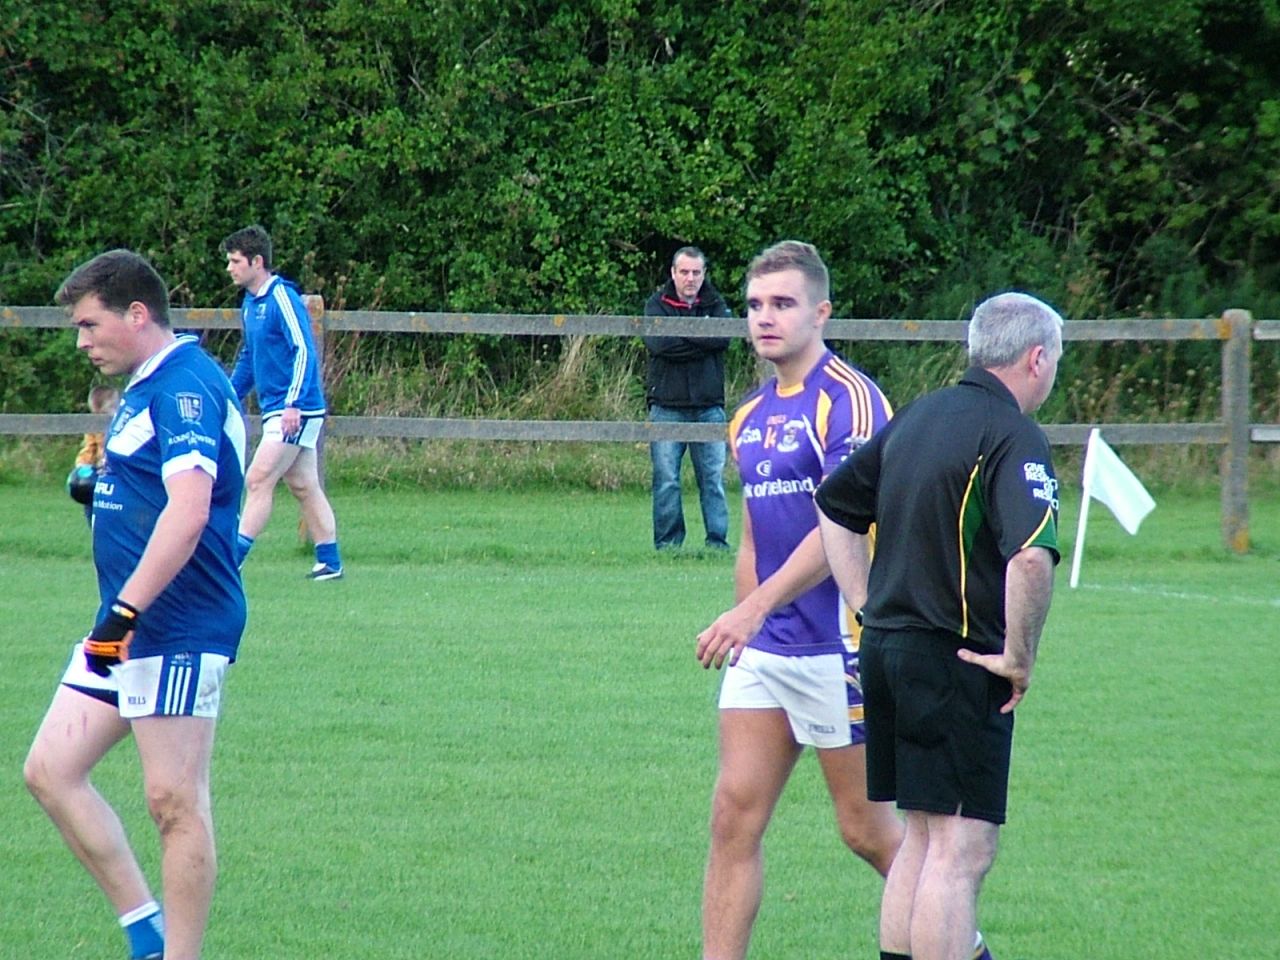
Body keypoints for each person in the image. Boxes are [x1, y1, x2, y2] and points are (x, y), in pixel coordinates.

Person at [814, 291, 1064, 960]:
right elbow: (1032, 557)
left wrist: (867, 606)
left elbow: (835, 503)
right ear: (1036, 358)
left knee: (922, 839)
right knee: (961, 850)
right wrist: (1020, 656)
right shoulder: (1013, 434)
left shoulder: (919, 414)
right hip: (955, 662)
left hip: (888, 651)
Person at [24, 249, 248, 960]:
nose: (82, 342)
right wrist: (100, 493)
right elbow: (148, 492)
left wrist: (122, 617)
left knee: (173, 802)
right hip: (125, 622)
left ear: (138, 314)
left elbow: (186, 515)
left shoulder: (185, 387)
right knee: (51, 771)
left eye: (89, 325)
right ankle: (144, 931)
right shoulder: (145, 388)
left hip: (176, 621)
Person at [694, 241, 906, 960]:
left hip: (841, 646)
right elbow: (754, 536)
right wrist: (748, 625)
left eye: (782, 304)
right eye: (754, 305)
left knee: (867, 832)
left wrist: (752, 611)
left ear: (822, 311)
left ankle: (958, 944)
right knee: (733, 818)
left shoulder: (851, 399)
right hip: (768, 652)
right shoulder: (747, 414)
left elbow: (842, 526)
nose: (764, 318)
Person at [221, 224, 343, 579]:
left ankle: (231, 560)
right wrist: (229, 396)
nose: (230, 268)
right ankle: (330, 563)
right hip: (281, 408)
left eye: (235, 261)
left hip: (295, 409)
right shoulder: (250, 303)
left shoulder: (281, 298)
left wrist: (294, 404)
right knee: (304, 484)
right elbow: (249, 355)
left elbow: (303, 349)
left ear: (257, 262)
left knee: (258, 478)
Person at [644, 246, 733, 550]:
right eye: (684, 272)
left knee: (713, 480)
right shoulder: (656, 304)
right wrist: (702, 339)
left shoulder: (716, 303)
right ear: (673, 273)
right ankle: (668, 545)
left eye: (696, 272)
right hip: (666, 406)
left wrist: (683, 337)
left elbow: (722, 339)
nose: (690, 278)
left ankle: (717, 543)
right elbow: (659, 345)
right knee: (667, 480)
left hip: (709, 407)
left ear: (704, 274)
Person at [68, 384, 121, 520]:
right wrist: (82, 465)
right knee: (91, 504)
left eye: (116, 407)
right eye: (111, 408)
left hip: (117, 474)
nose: (115, 411)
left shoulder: (121, 424)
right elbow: (89, 449)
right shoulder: (93, 427)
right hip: (98, 474)